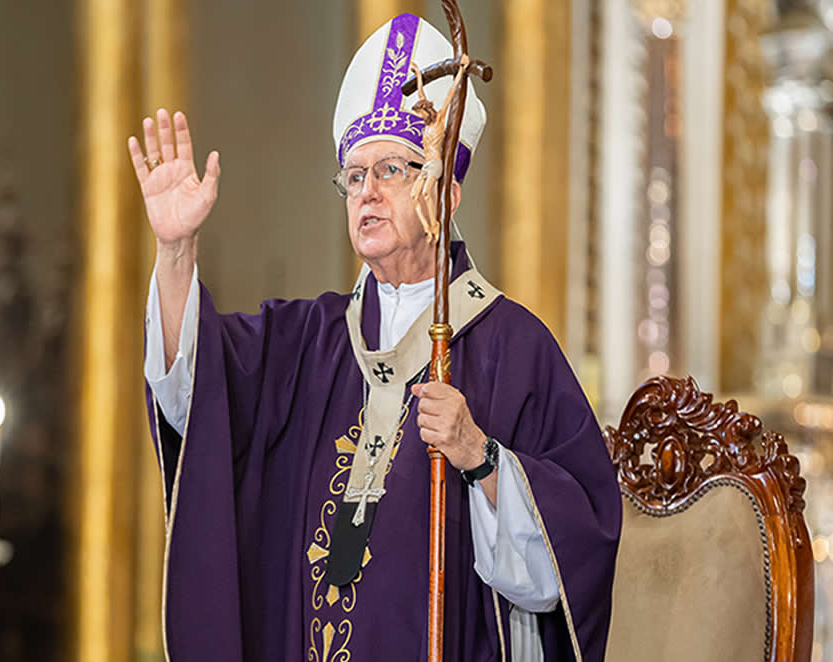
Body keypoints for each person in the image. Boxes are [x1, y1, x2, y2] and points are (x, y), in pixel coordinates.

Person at [130, 13, 620, 662]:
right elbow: (193, 395)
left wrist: (482, 457)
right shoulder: (304, 341)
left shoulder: (515, 348)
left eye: (391, 169)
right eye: (354, 176)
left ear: (444, 190)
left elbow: (580, 547)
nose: (366, 194)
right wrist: (175, 250)